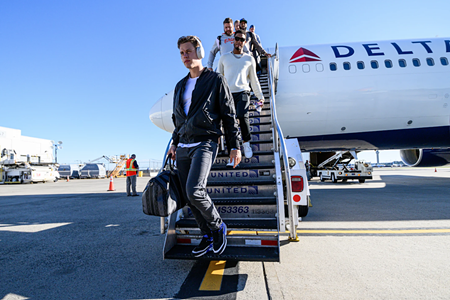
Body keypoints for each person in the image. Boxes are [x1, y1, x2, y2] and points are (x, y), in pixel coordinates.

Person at [168, 35, 242, 257]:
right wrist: (174, 142)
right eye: (181, 53)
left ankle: (218, 227)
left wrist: (234, 145)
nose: (185, 56)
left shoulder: (215, 80)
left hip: (206, 142)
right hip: (183, 145)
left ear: (199, 51)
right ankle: (206, 235)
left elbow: (229, 115)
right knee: (187, 195)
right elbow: (178, 118)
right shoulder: (180, 85)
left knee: (195, 190)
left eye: (189, 51)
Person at [218, 29, 265, 163]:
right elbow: (219, 78)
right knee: (229, 121)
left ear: (245, 42)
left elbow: (254, 80)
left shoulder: (249, 59)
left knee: (242, 116)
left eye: (242, 40)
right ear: (233, 40)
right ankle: (232, 149)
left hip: (244, 91)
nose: (239, 42)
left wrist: (260, 96)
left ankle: (246, 142)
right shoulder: (224, 58)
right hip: (227, 93)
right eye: (237, 39)